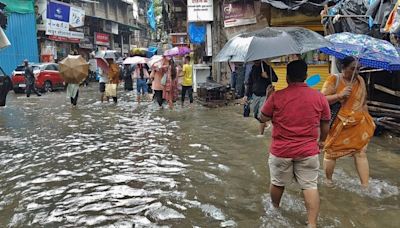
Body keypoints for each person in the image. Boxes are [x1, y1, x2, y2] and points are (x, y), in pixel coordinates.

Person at [259, 60, 331, 228]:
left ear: (287, 76)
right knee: (310, 186)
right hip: (308, 151)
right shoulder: (319, 97)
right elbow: (325, 123)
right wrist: (322, 141)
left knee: (278, 182)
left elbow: (262, 118)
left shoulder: (277, 97)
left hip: (281, 151)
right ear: (306, 76)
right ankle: (312, 224)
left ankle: (275, 210)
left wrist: (269, 97)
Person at [321, 56, 376, 188]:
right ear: (343, 67)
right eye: (352, 69)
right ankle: (328, 181)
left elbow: (363, 103)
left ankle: (365, 186)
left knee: (360, 153)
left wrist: (369, 120)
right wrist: (339, 96)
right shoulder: (334, 79)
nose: (356, 72)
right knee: (331, 154)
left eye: (358, 69)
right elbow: (321, 100)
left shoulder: (360, 80)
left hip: (357, 123)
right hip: (338, 124)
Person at [243, 60, 278, 135]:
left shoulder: (267, 68)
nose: (254, 61)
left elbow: (275, 79)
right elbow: (249, 83)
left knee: (261, 114)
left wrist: (267, 76)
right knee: (255, 115)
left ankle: (261, 134)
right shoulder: (253, 69)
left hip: (265, 94)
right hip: (255, 95)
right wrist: (246, 95)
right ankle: (265, 124)